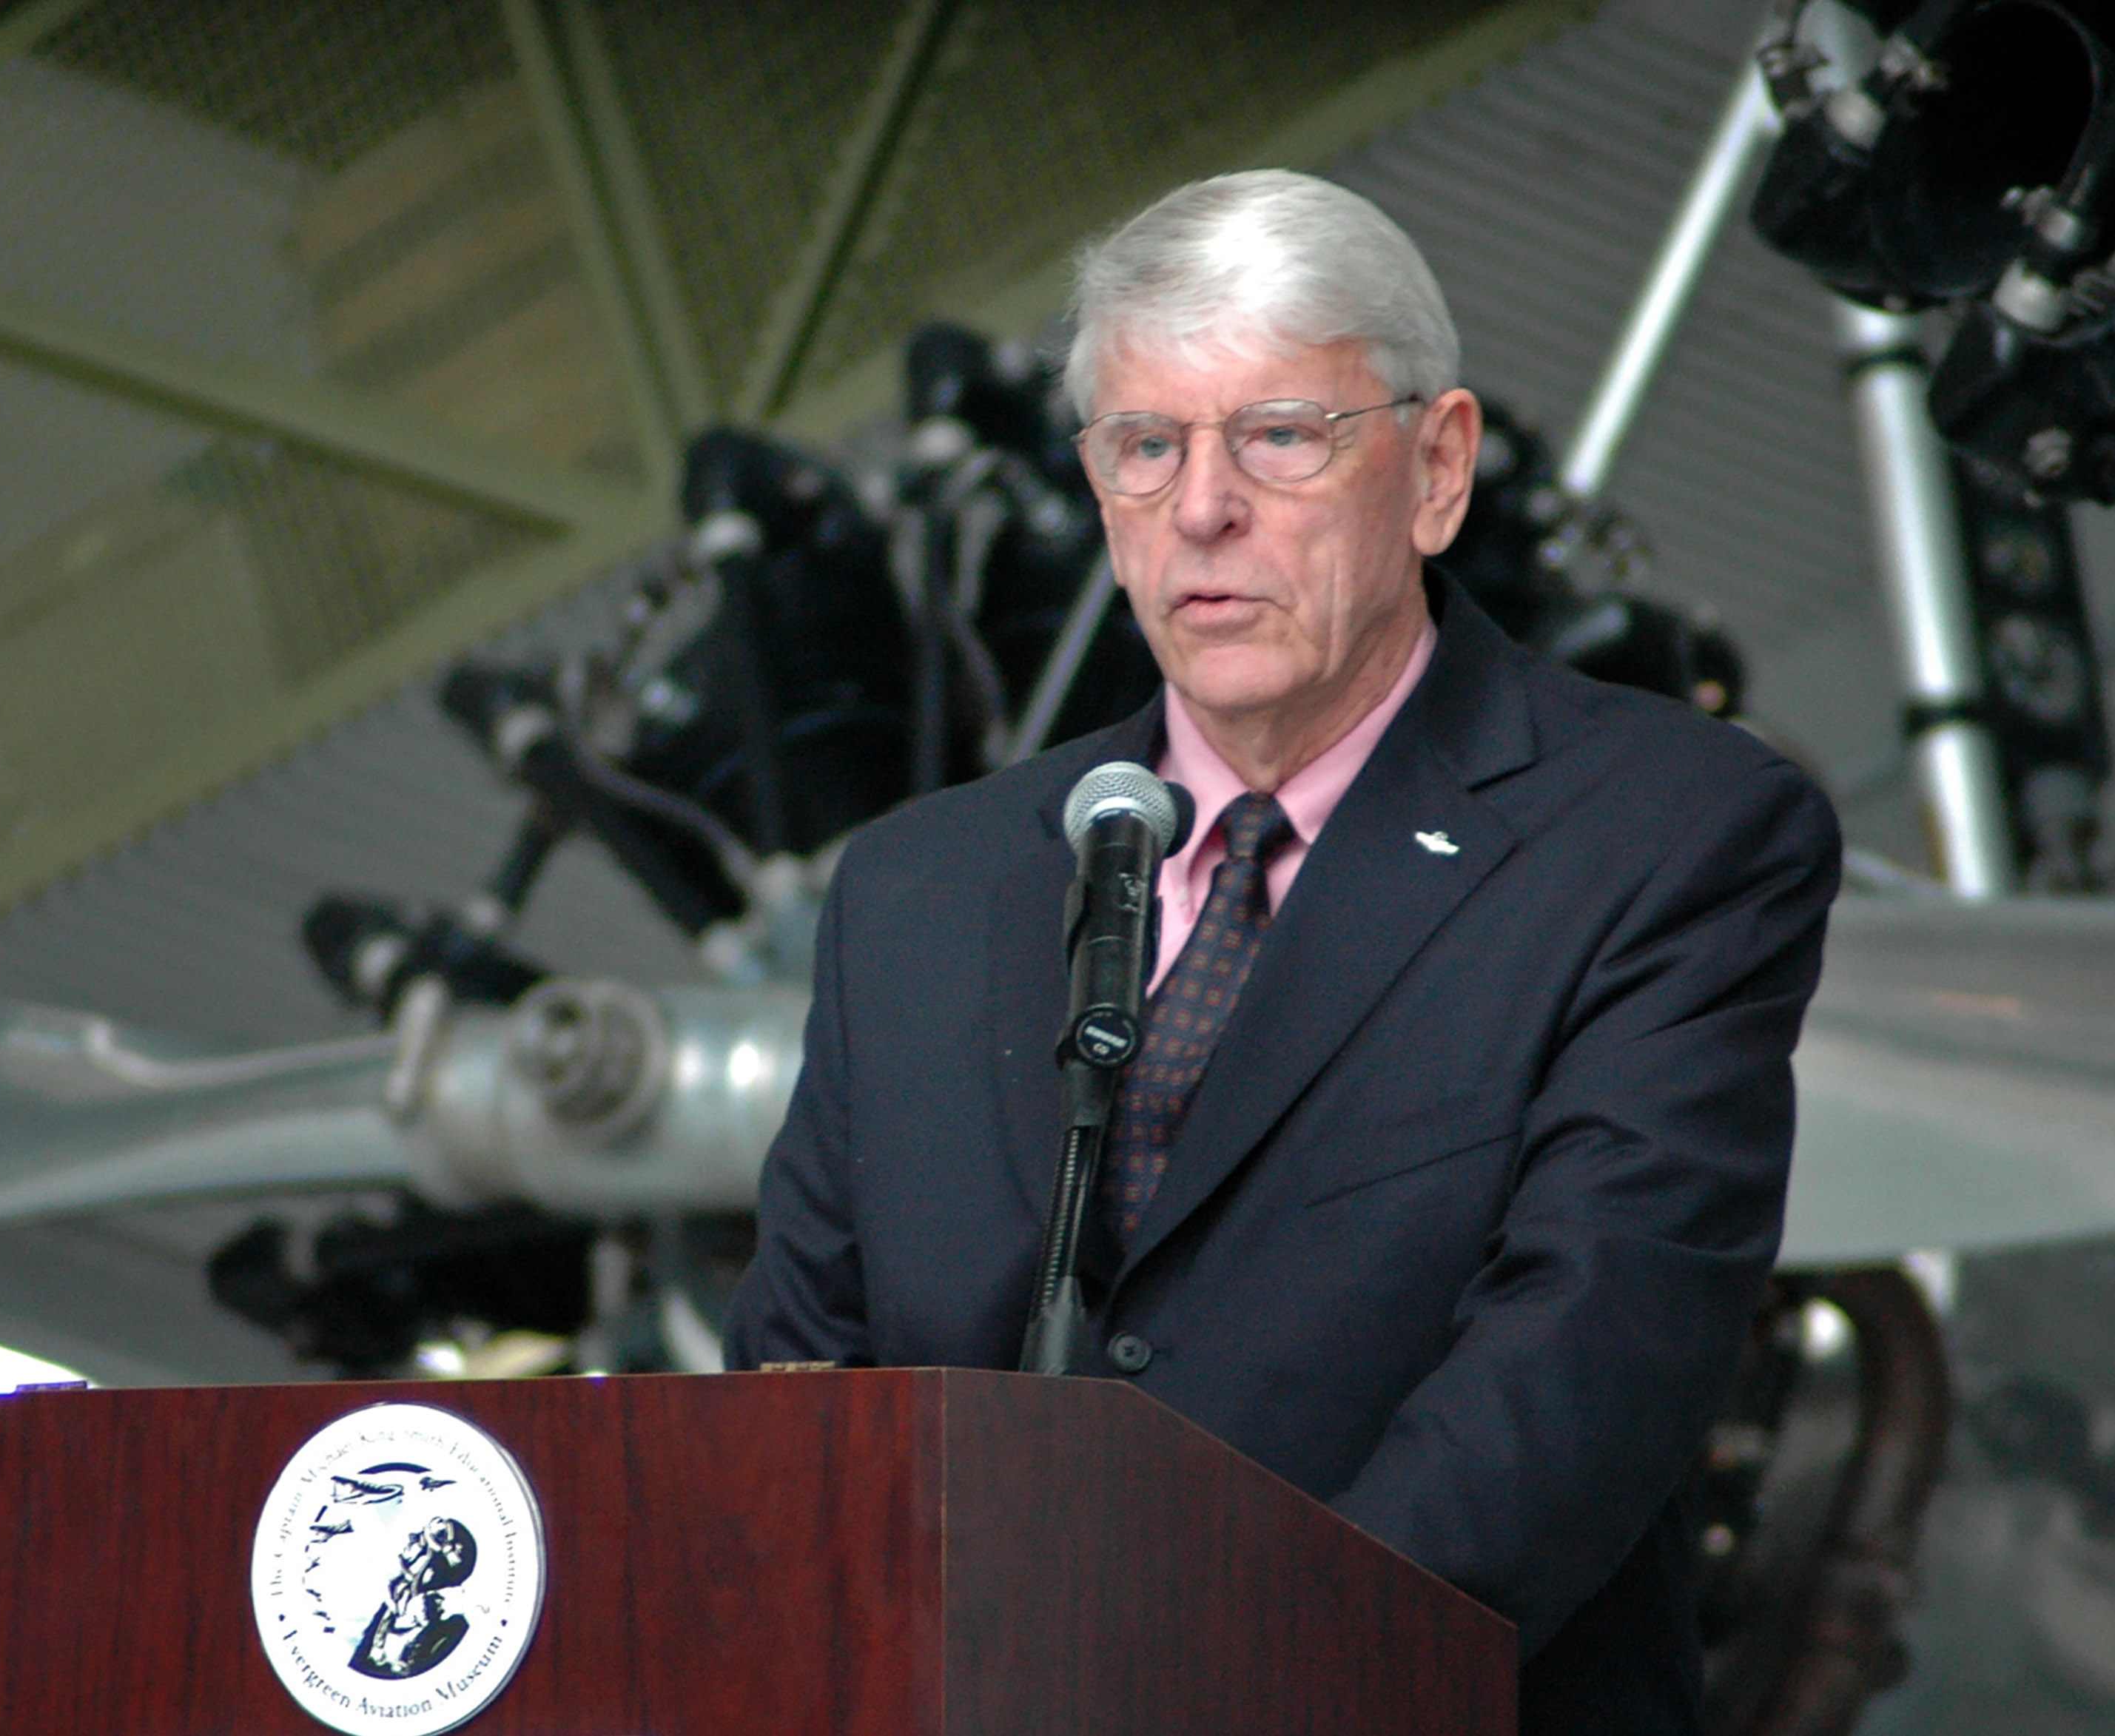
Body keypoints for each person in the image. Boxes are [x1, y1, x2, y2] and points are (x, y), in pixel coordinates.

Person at [727, 169, 1840, 1735]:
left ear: (1437, 466)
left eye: (1277, 436)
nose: (1202, 509)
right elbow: (796, 1398)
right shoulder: (920, 885)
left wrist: (1215, 1695)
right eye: (1145, 445)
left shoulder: (1666, 834)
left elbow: (1583, 1370)